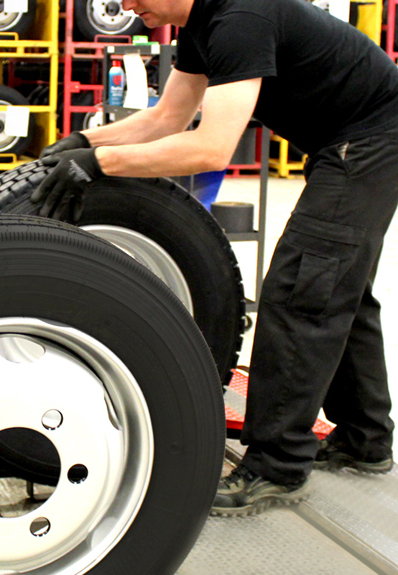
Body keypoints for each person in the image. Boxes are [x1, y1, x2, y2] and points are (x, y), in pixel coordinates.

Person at [34, 0, 398, 516]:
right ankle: (365, 439)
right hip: (349, 140)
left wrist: (99, 163)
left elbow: (211, 149)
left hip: (370, 141)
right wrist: (82, 142)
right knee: (339, 285)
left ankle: (277, 466)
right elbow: (168, 118)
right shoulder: (201, 24)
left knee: (304, 289)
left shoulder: (240, 20)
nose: (127, 6)